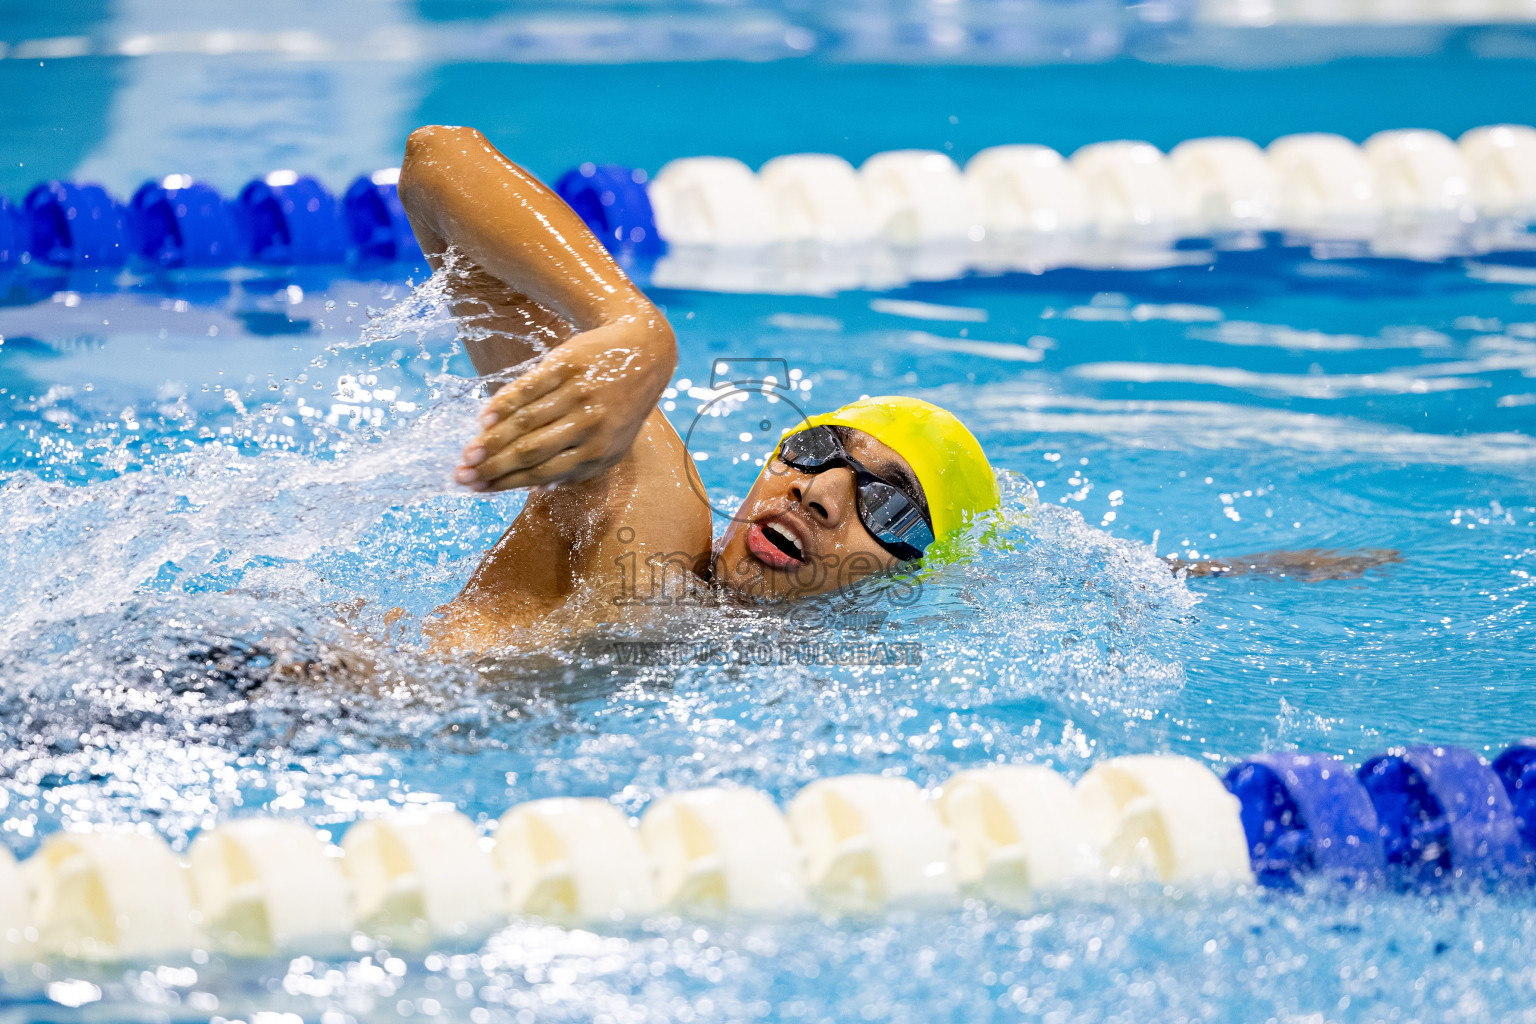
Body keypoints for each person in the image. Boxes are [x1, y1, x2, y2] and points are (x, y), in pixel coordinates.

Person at [398, 126, 1398, 654]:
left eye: (887, 501)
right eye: (819, 448)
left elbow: (1038, 573)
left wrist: (1233, 572)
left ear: (915, 578)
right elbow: (438, 161)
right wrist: (636, 334)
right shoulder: (647, 516)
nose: (823, 490)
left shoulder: (789, 657)